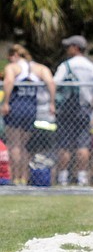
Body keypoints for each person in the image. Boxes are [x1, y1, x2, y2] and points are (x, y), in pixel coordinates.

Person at [1, 44, 55, 185]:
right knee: (24, 145)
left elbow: (9, 81)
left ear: (16, 55)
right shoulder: (39, 68)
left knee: (14, 144)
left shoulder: (13, 67)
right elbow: (50, 81)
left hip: (16, 106)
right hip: (31, 108)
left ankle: (14, 178)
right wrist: (52, 102)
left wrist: (6, 102)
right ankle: (23, 178)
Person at [53, 35, 93, 186]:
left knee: (64, 144)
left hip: (67, 110)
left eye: (69, 46)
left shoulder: (66, 65)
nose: (67, 49)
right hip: (84, 110)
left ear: (76, 47)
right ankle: (81, 178)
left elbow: (54, 83)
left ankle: (62, 178)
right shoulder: (91, 67)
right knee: (83, 144)